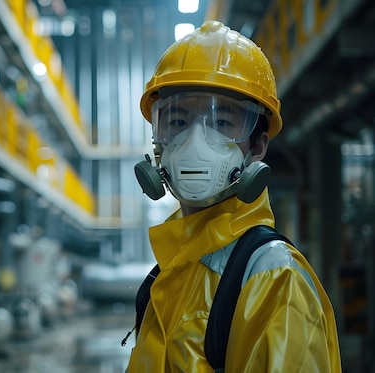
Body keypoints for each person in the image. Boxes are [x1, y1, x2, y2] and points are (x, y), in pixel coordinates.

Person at [128, 21, 342, 372]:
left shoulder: (272, 279)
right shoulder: (169, 271)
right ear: (158, 138)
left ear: (257, 145)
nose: (196, 141)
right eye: (178, 122)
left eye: (222, 123)